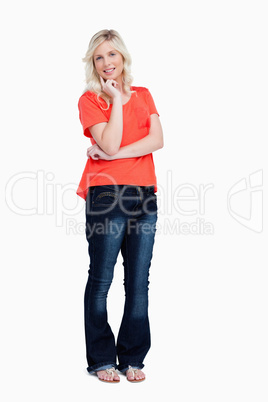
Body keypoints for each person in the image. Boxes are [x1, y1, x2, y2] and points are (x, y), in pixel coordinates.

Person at [76, 29, 164, 383]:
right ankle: (101, 360)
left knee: (138, 281)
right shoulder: (91, 101)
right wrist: (114, 102)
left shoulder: (144, 94)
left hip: (144, 194)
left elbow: (157, 140)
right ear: (93, 64)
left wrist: (109, 153)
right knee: (101, 280)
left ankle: (132, 358)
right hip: (106, 194)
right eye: (99, 57)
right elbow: (110, 141)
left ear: (123, 58)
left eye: (112, 55)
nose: (106, 62)